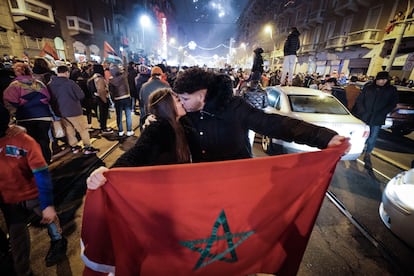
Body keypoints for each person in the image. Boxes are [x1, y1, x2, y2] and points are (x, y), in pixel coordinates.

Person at [87, 68, 347, 189]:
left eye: (184, 98)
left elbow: (275, 124)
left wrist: (325, 137)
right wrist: (110, 173)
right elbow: (144, 150)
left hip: (238, 183)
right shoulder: (185, 116)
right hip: (203, 186)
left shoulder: (234, 107)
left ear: (202, 93)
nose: (182, 104)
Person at [0, 104, 67, 274]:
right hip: (10, 199)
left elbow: (41, 173)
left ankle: (58, 240)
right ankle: (23, 271)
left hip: (31, 194)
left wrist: (47, 205)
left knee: (48, 218)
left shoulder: (22, 140)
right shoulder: (21, 138)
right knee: (17, 239)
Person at [87, 88, 190, 189]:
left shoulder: (182, 123)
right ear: (167, 106)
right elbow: (138, 153)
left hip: (180, 181)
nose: (182, 103)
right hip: (165, 187)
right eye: (178, 100)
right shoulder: (158, 129)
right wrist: (108, 173)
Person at [3, 62, 53, 163]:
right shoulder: (39, 83)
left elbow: (9, 102)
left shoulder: (15, 85)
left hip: (26, 117)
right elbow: (48, 97)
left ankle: (36, 161)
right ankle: (46, 159)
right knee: (43, 139)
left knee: (31, 141)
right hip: (43, 115)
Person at [48, 65, 99, 154]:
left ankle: (74, 147)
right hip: (74, 110)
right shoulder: (70, 83)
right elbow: (81, 95)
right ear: (66, 72)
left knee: (69, 130)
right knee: (83, 129)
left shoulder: (50, 84)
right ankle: (87, 147)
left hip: (61, 112)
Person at [352, 71, 398, 169]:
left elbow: (392, 103)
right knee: (362, 135)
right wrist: (362, 111)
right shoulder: (369, 88)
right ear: (376, 79)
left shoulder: (391, 90)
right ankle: (358, 150)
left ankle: (368, 154)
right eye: (380, 79)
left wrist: (383, 112)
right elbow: (360, 100)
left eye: (385, 79)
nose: (382, 81)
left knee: (373, 137)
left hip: (377, 117)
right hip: (365, 116)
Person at [108, 64, 134, 137]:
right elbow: (126, 68)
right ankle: (129, 130)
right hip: (126, 97)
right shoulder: (123, 76)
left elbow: (111, 92)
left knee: (119, 115)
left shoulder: (111, 81)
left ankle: (120, 131)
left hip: (117, 99)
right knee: (128, 115)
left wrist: (113, 100)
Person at [87, 64, 113, 134]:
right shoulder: (99, 78)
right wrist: (105, 100)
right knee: (103, 114)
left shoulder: (92, 77)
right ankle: (103, 128)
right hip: (101, 98)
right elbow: (101, 90)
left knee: (101, 114)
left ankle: (102, 127)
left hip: (95, 97)